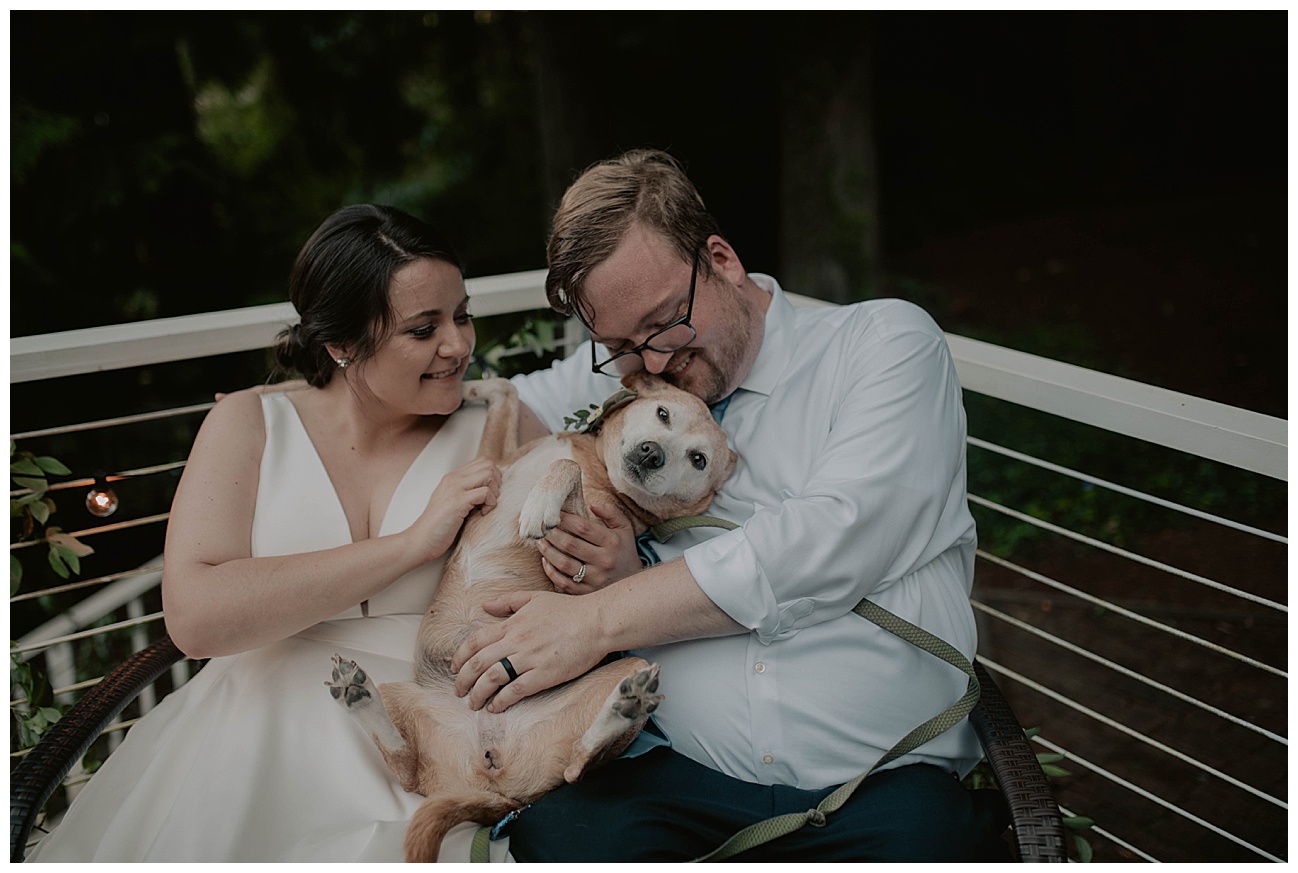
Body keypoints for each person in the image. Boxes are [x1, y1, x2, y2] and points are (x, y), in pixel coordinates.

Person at [449, 149, 1010, 861]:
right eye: (619, 347)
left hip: (883, 782)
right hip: (670, 779)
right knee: (559, 840)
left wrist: (595, 618)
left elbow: (832, 538)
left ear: (721, 259)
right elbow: (475, 411)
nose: (650, 365)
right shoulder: (633, 370)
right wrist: (292, 403)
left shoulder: (881, 345)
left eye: (663, 324)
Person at [27, 204, 541, 862]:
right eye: (424, 328)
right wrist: (411, 545)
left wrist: (595, 563)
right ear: (342, 345)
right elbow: (196, 615)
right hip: (250, 738)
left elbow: (560, 586)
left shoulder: (499, 421)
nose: (459, 344)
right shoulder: (249, 423)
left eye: (461, 314)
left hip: (438, 741)